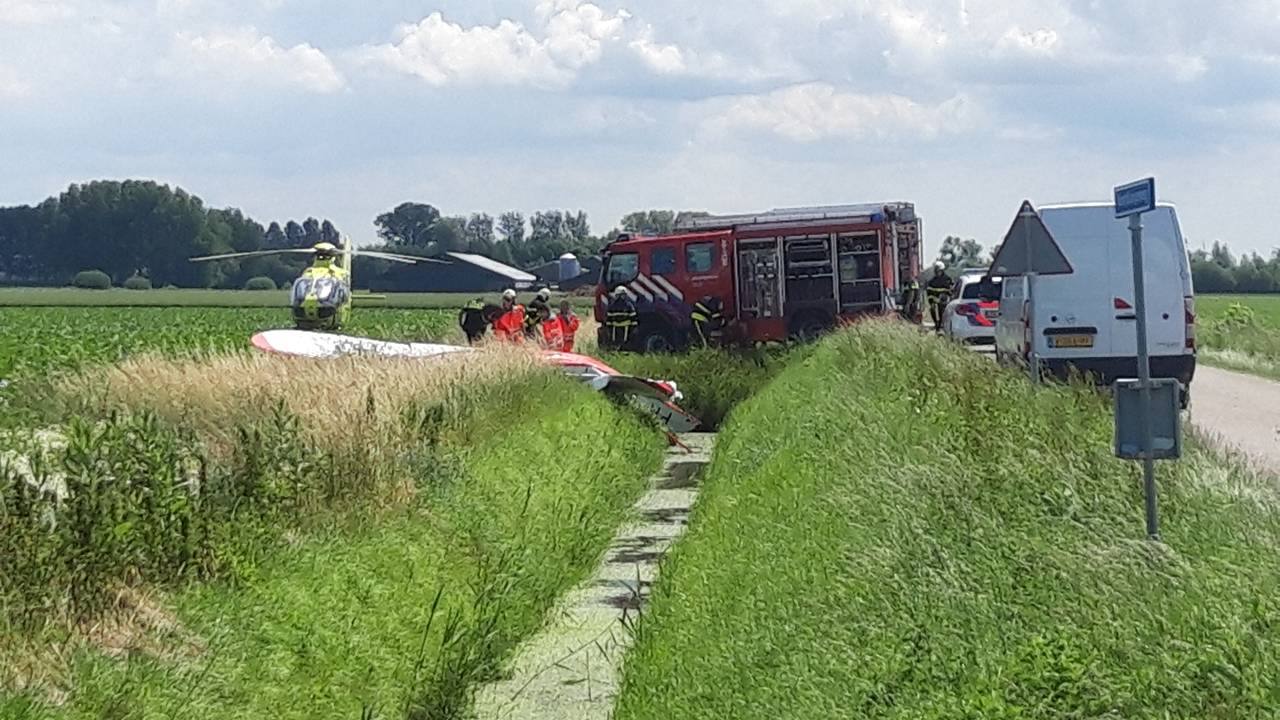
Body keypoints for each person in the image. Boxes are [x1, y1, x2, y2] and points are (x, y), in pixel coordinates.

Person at [925, 262, 952, 332]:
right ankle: (937, 324)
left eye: (938, 271)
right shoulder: (932, 282)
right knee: (932, 310)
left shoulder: (948, 279)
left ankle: (941, 325)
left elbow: (951, 291)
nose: (937, 273)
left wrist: (946, 297)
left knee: (942, 311)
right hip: (935, 301)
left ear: (942, 270)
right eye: (936, 271)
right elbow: (929, 293)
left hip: (945, 301)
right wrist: (931, 302)